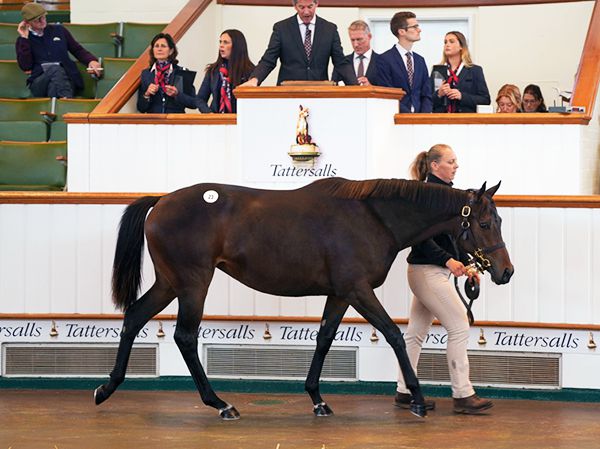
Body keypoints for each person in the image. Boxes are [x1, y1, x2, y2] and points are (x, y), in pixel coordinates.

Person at [394, 143, 494, 415]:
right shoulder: (426, 196)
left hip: (429, 272)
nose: (456, 165)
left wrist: (470, 265)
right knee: (460, 326)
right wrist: (448, 260)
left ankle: (405, 390)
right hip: (428, 271)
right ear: (434, 166)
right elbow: (421, 238)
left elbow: (458, 237)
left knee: (415, 333)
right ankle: (463, 394)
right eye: (451, 161)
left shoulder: (449, 196)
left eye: (456, 161)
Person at [241, 0, 357, 86]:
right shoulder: (281, 28)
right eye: (301, 7)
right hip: (288, 92)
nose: (306, 12)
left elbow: (340, 63)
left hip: (319, 92)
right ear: (294, 6)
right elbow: (269, 60)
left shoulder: (329, 29)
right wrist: (254, 80)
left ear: (317, 4)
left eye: (310, 6)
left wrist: (356, 86)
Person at [15, 2, 102, 98]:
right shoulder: (24, 41)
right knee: (55, 69)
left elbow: (77, 50)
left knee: (54, 86)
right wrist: (24, 37)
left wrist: (91, 60)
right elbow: (26, 66)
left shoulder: (59, 30)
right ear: (27, 23)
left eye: (43, 17)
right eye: (37, 20)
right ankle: (67, 101)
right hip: (40, 82)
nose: (42, 21)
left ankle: (59, 105)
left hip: (66, 79)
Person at [376, 11, 432, 113]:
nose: (419, 30)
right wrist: (408, 116)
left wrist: (423, 117)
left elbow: (426, 94)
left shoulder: (420, 60)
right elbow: (388, 94)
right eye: (414, 27)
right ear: (402, 31)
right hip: (396, 118)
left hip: (420, 120)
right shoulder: (384, 60)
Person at [197, 29, 255, 113]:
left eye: (225, 42)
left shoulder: (250, 70)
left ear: (236, 46)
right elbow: (200, 99)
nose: (221, 45)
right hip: (216, 120)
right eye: (220, 42)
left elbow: (253, 101)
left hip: (240, 120)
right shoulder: (213, 70)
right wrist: (209, 113)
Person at [137, 33, 197, 114]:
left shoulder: (182, 72)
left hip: (176, 121)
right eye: (156, 46)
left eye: (163, 46)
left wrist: (177, 94)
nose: (159, 49)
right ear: (153, 50)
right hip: (153, 122)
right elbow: (141, 108)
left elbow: (193, 104)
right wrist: (147, 94)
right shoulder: (146, 74)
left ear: (171, 51)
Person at [432, 31, 490, 113]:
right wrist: (438, 94)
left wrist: (462, 96)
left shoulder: (475, 70)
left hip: (466, 122)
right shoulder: (437, 70)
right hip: (441, 120)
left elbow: (485, 100)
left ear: (461, 47)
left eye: (451, 41)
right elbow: (428, 100)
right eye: (445, 42)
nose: (447, 45)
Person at [331, 20, 379, 86]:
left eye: (359, 39)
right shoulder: (341, 62)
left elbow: (387, 89)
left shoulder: (382, 61)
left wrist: (370, 87)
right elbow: (333, 87)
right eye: (352, 40)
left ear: (369, 36)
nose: (355, 44)